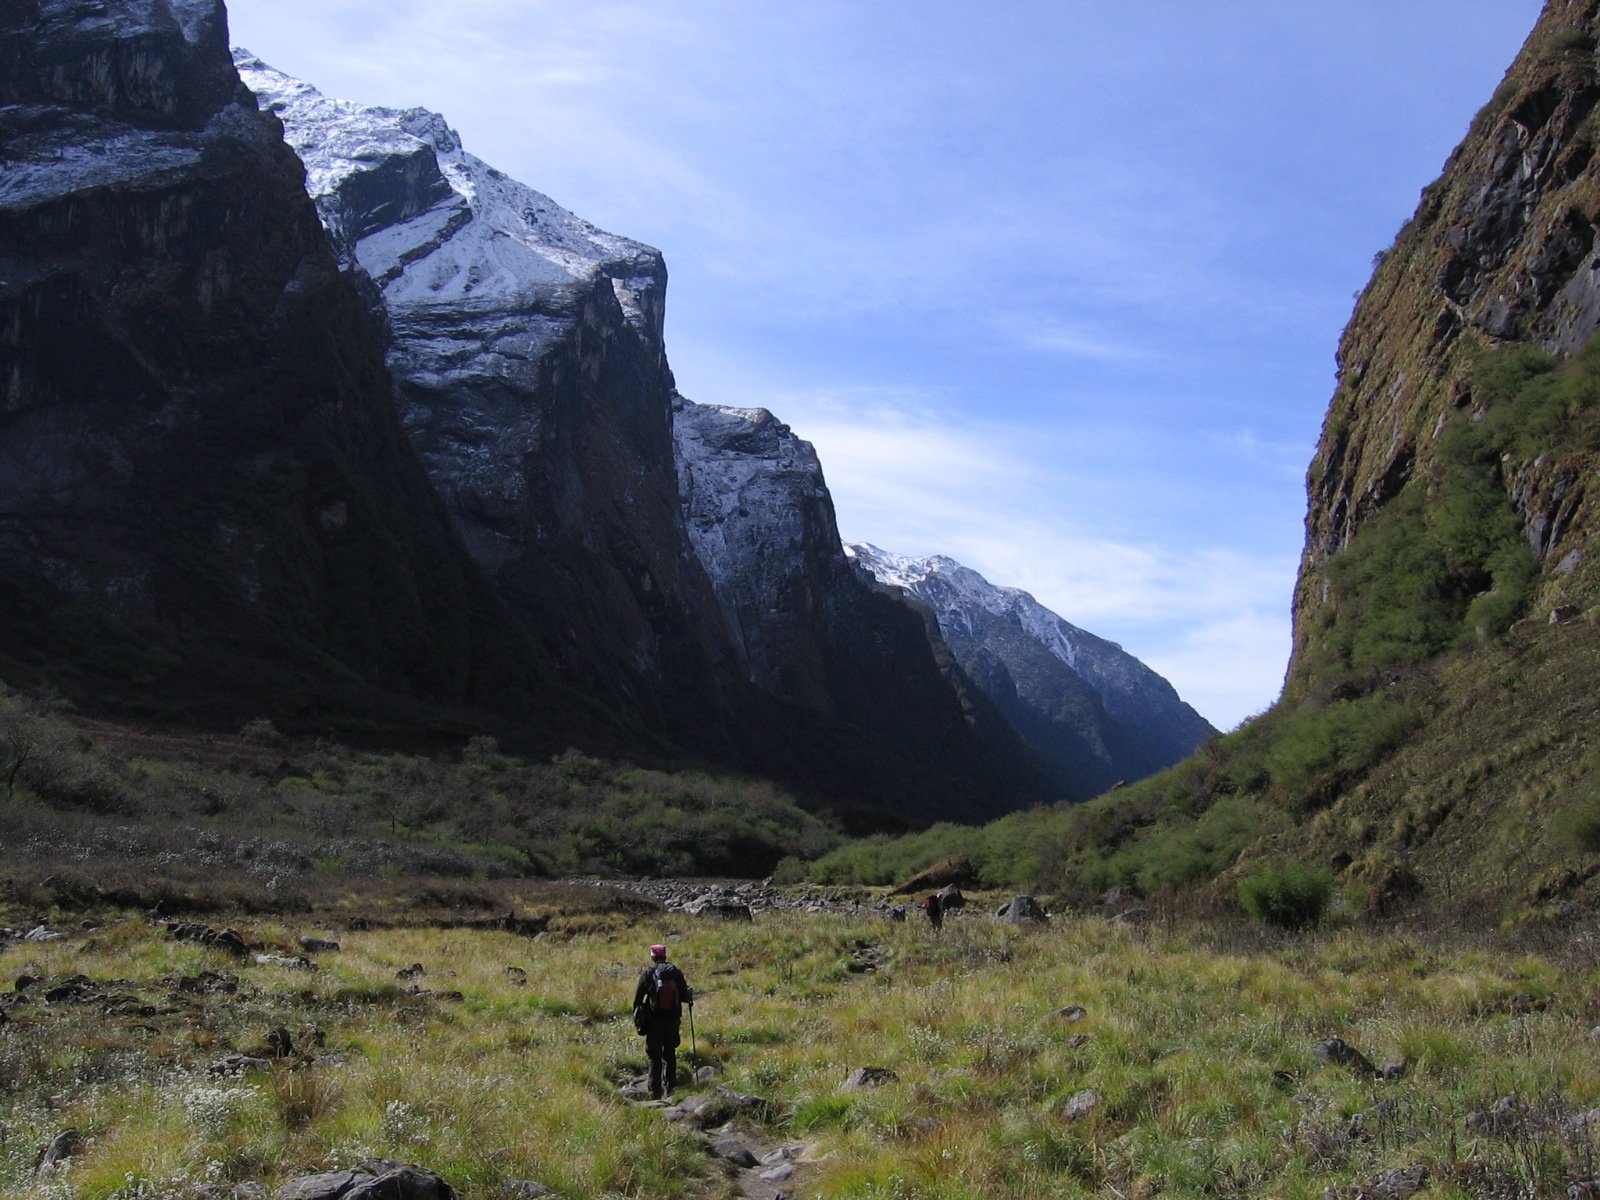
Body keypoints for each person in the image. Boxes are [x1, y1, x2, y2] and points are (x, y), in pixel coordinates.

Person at [632, 943, 693, 1099]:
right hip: (672, 1019)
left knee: (654, 1055)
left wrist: (639, 1021)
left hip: (654, 1020)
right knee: (670, 1053)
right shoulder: (676, 973)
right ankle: (671, 1089)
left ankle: (655, 1092)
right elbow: (685, 997)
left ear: (653, 957)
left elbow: (638, 1000)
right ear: (665, 955)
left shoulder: (648, 974)